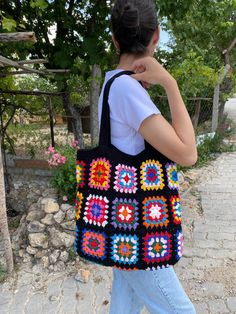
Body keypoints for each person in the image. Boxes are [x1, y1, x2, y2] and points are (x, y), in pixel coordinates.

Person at [97, 0, 198, 313]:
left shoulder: (112, 82)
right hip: (137, 227)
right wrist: (170, 83)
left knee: (124, 305)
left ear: (115, 40)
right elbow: (187, 153)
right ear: (156, 36)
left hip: (122, 220)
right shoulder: (127, 90)